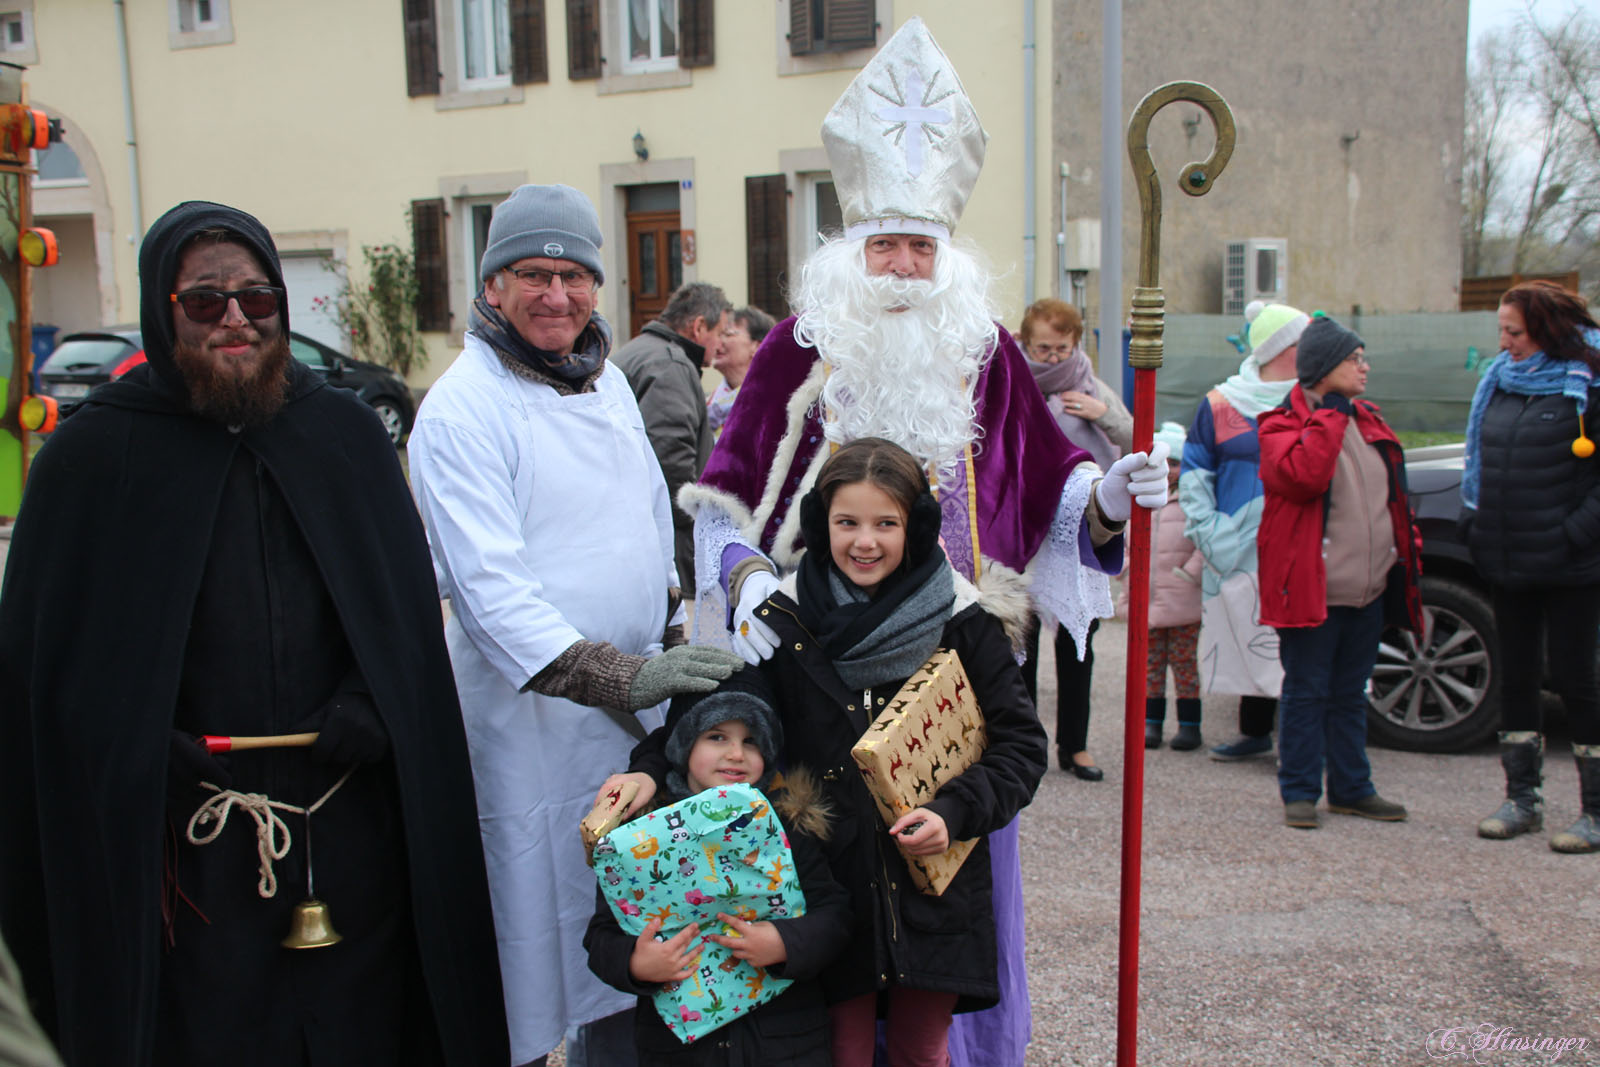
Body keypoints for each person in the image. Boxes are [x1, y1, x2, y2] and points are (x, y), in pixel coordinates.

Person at [670, 23, 1165, 1064]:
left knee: (950, 876)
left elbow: (1052, 493)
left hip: (957, 670)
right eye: (884, 246)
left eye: (920, 248)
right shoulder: (798, 350)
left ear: (947, 258)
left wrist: (1113, 495)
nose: (902, 267)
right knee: (829, 878)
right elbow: (720, 501)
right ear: (851, 250)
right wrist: (748, 577)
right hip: (817, 665)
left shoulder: (985, 352)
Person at [0, 201, 508, 1065]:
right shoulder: (93, 460)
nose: (236, 318)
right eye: (206, 301)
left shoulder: (343, 435)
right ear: (164, 311)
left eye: (258, 298)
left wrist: (372, 702)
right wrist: (138, 739)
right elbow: (46, 680)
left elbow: (404, 635)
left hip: (347, 831)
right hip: (184, 854)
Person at [406, 184, 745, 1067]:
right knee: (528, 939)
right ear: (492, 285)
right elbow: (490, 593)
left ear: (597, 286)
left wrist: (671, 632)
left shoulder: (608, 383)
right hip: (526, 731)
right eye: (532, 274)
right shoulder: (460, 407)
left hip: (631, 726)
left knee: (629, 932)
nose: (555, 295)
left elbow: (649, 526)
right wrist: (621, 676)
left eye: (573, 276)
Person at [623, 438, 1048, 1065]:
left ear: (915, 526)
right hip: (826, 886)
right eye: (847, 522)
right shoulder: (785, 621)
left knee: (921, 1052)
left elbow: (1021, 745)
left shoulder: (962, 620)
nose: (864, 542)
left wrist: (955, 812)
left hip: (932, 886)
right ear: (821, 524)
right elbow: (714, 717)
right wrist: (646, 771)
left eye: (886, 524)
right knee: (840, 1050)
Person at [583, 673, 850, 1065]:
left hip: (785, 1043)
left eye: (751, 740)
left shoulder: (787, 827)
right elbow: (601, 935)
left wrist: (784, 942)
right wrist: (636, 963)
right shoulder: (639, 841)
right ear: (683, 745)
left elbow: (835, 916)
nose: (736, 754)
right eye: (717, 736)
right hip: (679, 1051)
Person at [1257, 314, 1421, 830]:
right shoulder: (1281, 425)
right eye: (1354, 359)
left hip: (1367, 591)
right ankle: (1300, 792)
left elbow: (1394, 495)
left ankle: (1352, 789)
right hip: (1313, 591)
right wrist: (1329, 413)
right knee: (1307, 693)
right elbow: (1305, 476)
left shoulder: (1367, 419)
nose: (1364, 367)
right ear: (1325, 368)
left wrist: (1406, 550)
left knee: (1352, 694)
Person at [1465, 281, 1600, 853]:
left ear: (1547, 329)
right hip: (1508, 557)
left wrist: (1574, 534)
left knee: (1577, 680)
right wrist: (1476, 525)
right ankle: (1522, 800)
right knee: (1517, 678)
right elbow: (1481, 459)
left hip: (1572, 564)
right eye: (1501, 330)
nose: (1504, 342)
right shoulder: (1499, 381)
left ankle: (1595, 811)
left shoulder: (1589, 383)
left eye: (1514, 332)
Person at [1179, 300, 1307, 761]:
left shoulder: (1313, 399)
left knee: (1296, 640)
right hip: (1237, 547)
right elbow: (1196, 470)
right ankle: (1254, 731)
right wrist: (1210, 532)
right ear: (1283, 348)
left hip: (1300, 544)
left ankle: (1299, 741)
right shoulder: (1221, 403)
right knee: (1249, 634)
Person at [1017, 297, 1133, 780]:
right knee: (1020, 643)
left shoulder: (1089, 384)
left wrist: (1102, 413)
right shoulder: (1012, 381)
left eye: (1061, 349)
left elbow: (1134, 439)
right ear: (1025, 343)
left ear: (1076, 345)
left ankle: (1075, 746)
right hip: (1024, 528)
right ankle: (1023, 747)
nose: (1053, 359)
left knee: (1078, 640)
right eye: (1043, 349)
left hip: (1078, 529)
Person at [613, 282, 734, 590]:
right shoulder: (670, 365)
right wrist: (699, 523)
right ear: (699, 327)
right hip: (666, 543)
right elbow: (671, 466)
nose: (721, 344)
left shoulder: (643, 350)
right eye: (720, 333)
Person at [1143, 421, 1205, 750]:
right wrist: (1128, 568)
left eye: (1176, 463)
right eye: (1163, 462)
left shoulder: (1194, 500)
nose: (1168, 470)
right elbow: (1129, 537)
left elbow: (1205, 542)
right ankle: (1151, 723)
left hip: (1182, 597)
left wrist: (1190, 574)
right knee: (1150, 663)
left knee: (1184, 662)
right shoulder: (1145, 497)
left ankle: (1190, 725)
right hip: (1150, 598)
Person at [706, 305, 774, 438]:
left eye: (728, 334)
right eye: (719, 334)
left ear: (757, 347)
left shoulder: (772, 404)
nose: (718, 343)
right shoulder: (708, 405)